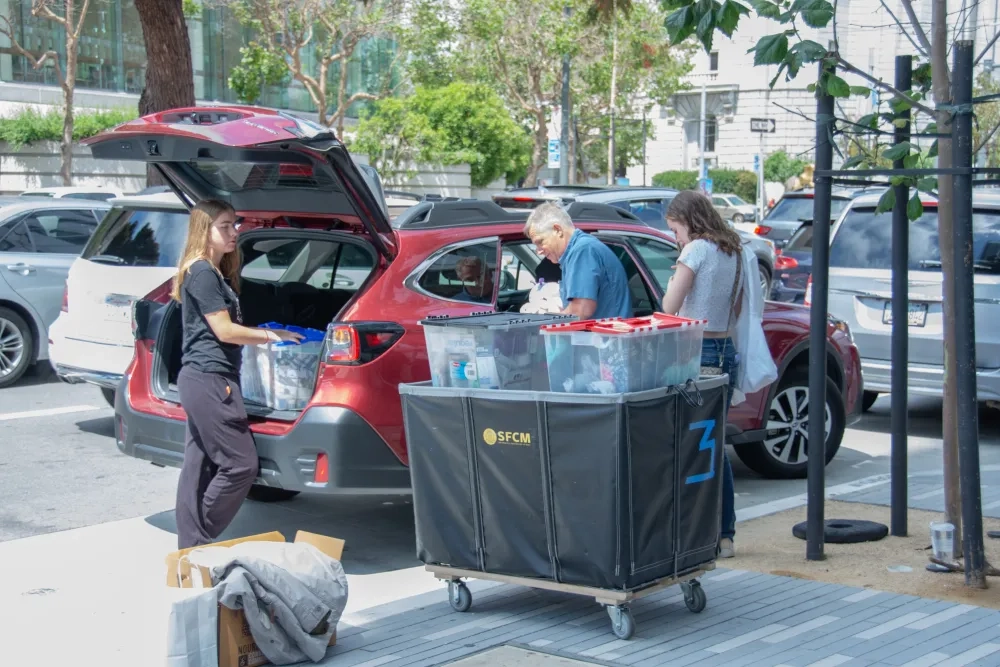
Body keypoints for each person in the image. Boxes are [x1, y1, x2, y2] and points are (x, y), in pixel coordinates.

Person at [171, 199, 303, 549]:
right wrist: (271, 335)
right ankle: (200, 540)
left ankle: (190, 548)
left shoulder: (208, 271)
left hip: (201, 378)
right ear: (205, 230)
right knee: (240, 465)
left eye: (235, 224)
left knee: (197, 468)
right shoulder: (201, 273)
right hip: (211, 379)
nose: (235, 232)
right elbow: (226, 331)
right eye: (225, 226)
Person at [660, 190, 745, 559]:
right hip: (726, 350)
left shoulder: (694, 251)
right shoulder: (734, 251)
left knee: (691, 445)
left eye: (675, 229)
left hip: (697, 352)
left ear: (687, 221)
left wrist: (671, 278)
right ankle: (724, 532)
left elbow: (669, 306)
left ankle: (693, 531)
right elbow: (738, 308)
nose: (675, 237)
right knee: (715, 444)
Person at [523, 202, 631, 320]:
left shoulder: (583, 251)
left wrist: (541, 321)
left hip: (605, 337)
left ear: (557, 230)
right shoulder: (579, 250)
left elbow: (581, 311)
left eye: (540, 242)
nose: (539, 251)